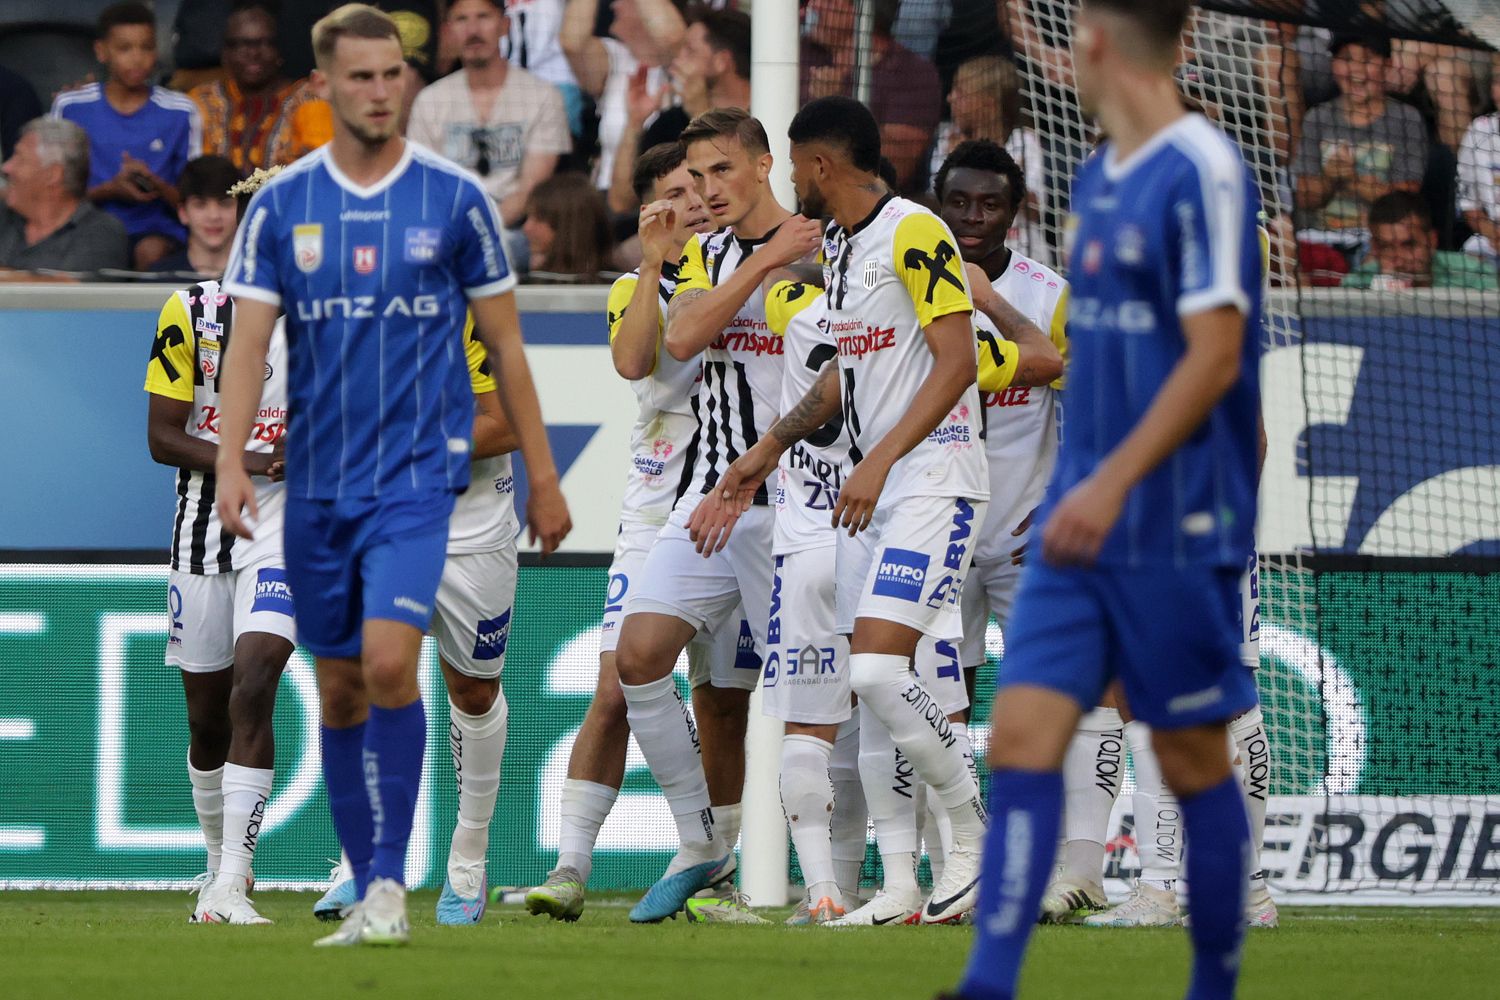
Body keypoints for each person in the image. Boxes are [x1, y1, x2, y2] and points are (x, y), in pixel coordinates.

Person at [215, 4, 570, 947]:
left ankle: (403, 883)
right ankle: (369, 872)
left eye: (393, 74)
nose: (380, 91)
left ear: (408, 80)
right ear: (327, 86)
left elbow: (509, 346)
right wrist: (229, 460)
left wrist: (544, 473)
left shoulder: (455, 201)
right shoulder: (281, 204)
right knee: (338, 691)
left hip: (422, 486)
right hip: (322, 490)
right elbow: (248, 343)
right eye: (361, 76)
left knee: (390, 668)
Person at [946, 0, 1263, 996]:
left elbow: (1215, 356)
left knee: (1191, 755)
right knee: (1022, 733)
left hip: (1172, 520)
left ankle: (1213, 976)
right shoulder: (1095, 179)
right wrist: (1072, 484)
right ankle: (990, 980)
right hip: (1078, 524)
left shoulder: (1204, 168)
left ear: (1091, 45)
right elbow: (1094, 367)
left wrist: (1116, 481)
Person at [695, 96, 993, 927]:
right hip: (876, 495)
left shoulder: (914, 230)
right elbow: (847, 376)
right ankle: (900, 882)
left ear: (819, 165)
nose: (794, 181)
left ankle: (972, 835)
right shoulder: (840, 245)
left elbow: (957, 361)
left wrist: (882, 459)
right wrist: (761, 455)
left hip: (933, 484)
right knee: (872, 696)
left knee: (874, 672)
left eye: (795, 166)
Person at [525, 141, 761, 923]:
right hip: (657, 505)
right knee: (619, 683)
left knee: (724, 701)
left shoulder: (754, 274)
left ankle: (715, 874)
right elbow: (637, 365)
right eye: (670, 194)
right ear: (645, 209)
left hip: (741, 505)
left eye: (698, 188)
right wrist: (658, 268)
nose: (689, 203)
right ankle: (570, 867)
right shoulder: (635, 286)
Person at [605, 108, 821, 924]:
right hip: (706, 502)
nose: (708, 191)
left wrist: (779, 255)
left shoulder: (823, 246)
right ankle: (704, 842)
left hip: (799, 504)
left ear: (765, 166)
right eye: (697, 179)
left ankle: (840, 880)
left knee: (813, 697)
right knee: (638, 657)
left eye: (723, 171)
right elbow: (688, 332)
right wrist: (763, 260)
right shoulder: (717, 255)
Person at [316, 315, 529, 925]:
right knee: (370, 677)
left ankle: (467, 861)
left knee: (473, 690)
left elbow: (504, 423)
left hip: (473, 535)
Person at [144, 167, 295, 926]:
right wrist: (247, 458)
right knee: (206, 717)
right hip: (203, 530)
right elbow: (161, 436)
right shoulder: (193, 312)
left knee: (257, 675)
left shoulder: (331, 320)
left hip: (289, 524)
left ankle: (232, 879)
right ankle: (215, 862)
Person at [50, 2, 204, 270]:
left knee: (150, 252)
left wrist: (154, 183)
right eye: (125, 48)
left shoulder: (181, 110)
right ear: (101, 51)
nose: (137, 58)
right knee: (96, 249)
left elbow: (195, 198)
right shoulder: (71, 106)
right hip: (88, 227)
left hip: (156, 231)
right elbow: (52, 191)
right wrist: (109, 190)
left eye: (146, 47)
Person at [407, 0, 572, 229]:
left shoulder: (543, 96)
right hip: (449, 226)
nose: (473, 30)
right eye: (461, 19)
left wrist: (482, 233)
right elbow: (427, 185)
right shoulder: (429, 101)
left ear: (505, 25)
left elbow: (531, 188)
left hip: (518, 228)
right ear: (448, 30)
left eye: (483, 17)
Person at [1293, 33, 1427, 259]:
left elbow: (1404, 201)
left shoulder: (1406, 119)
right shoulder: (1317, 118)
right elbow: (1306, 198)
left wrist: (1350, 177)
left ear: (1388, 65)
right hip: (1320, 240)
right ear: (1333, 65)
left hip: (1379, 244)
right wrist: (1329, 177)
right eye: (1346, 59)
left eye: (1367, 60)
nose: (1356, 70)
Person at [607, 8, 751, 216]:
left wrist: (701, 114)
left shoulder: (770, 113)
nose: (678, 59)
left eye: (690, 50)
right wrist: (634, 123)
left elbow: (740, 192)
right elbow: (620, 201)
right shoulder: (670, 122)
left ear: (721, 62)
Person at [801, 0, 943, 193]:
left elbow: (893, 168)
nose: (814, 5)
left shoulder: (912, 73)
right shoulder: (797, 53)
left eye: (828, 0)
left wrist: (838, 107)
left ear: (863, 10)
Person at [560, 0, 686, 191]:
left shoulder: (684, 63)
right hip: (610, 199)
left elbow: (671, 37)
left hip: (670, 198)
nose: (613, 5)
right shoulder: (616, 58)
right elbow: (572, 43)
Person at [189, 2, 328, 173]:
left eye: (265, 43)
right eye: (241, 44)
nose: (253, 53)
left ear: (279, 50)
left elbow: (320, 167)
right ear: (225, 53)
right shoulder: (201, 101)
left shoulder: (309, 98)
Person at [0, 118, 128, 275]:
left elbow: (75, 290)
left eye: (19, 158)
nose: (6, 167)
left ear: (53, 174)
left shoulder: (102, 232)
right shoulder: (4, 217)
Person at [1341, 190, 1500, 290]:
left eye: (1409, 244)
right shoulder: (1358, 284)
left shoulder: (1474, 277)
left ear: (1431, 241)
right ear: (1374, 247)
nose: (1399, 259)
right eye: (1386, 247)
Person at [147, 155, 243, 278]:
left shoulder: (263, 279)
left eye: (225, 204)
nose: (214, 216)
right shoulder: (157, 278)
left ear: (242, 210)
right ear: (183, 212)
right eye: (200, 205)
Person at [520, 172, 615, 281]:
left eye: (540, 219)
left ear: (569, 225)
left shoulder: (619, 285)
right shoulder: (525, 281)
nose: (526, 228)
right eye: (528, 217)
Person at [1457, 55, 1500, 263]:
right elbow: (1468, 204)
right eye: (1499, 80)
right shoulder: (1478, 130)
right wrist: (1492, 232)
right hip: (1491, 240)